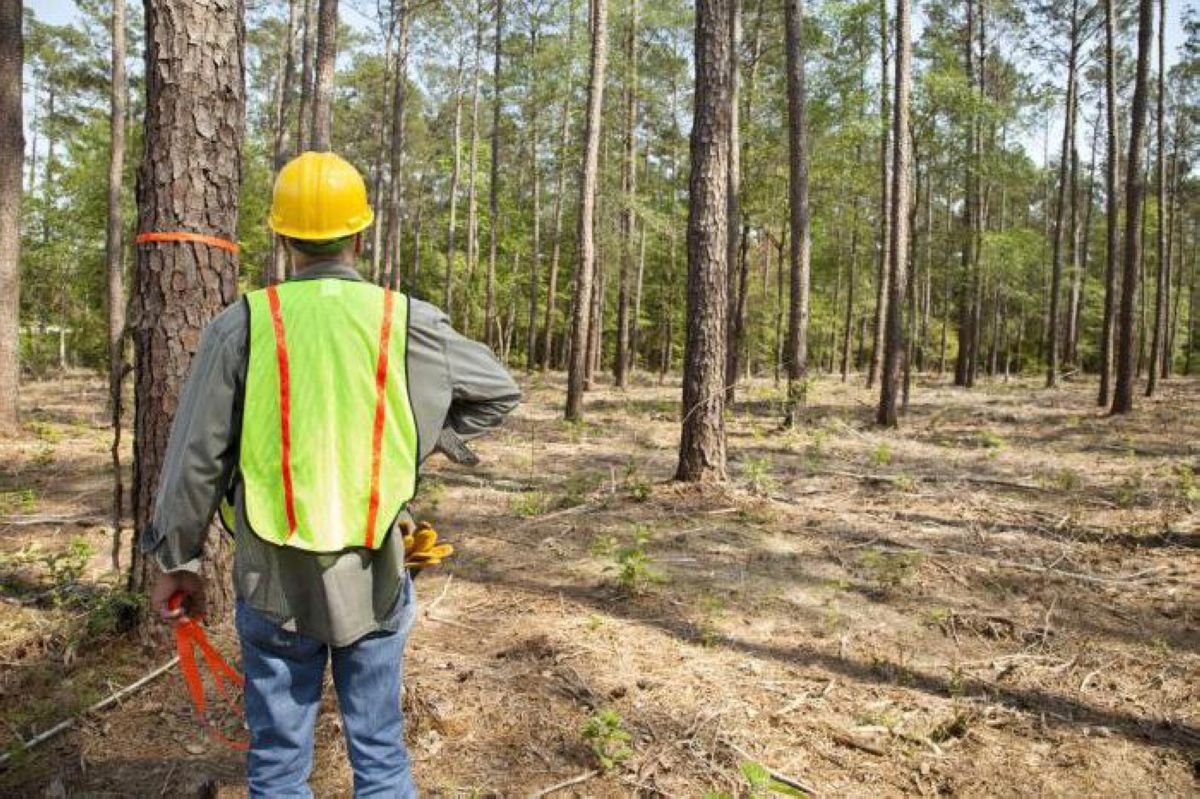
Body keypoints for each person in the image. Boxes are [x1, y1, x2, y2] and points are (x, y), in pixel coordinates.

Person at [139, 151, 520, 798]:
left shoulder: (243, 326)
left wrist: (178, 559)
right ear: (360, 234)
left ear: (281, 237)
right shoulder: (406, 322)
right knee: (378, 752)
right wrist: (418, 442)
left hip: (271, 581)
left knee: (280, 764)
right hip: (375, 573)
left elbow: (196, 456)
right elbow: (497, 391)